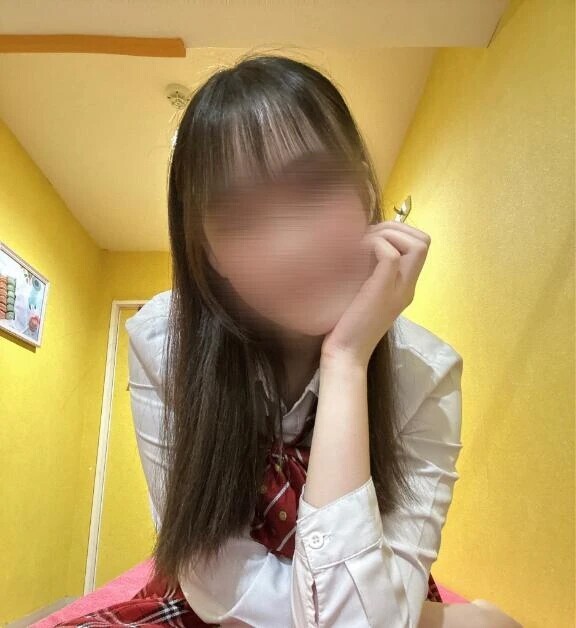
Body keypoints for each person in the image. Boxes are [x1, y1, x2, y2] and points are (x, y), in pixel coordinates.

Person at [56, 53, 521, 628]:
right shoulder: (164, 344)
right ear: (207, 252)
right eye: (238, 216)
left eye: (314, 185)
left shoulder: (424, 373)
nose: (288, 248)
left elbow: (366, 611)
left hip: (369, 590)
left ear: (364, 191)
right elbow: (213, 582)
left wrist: (346, 359)